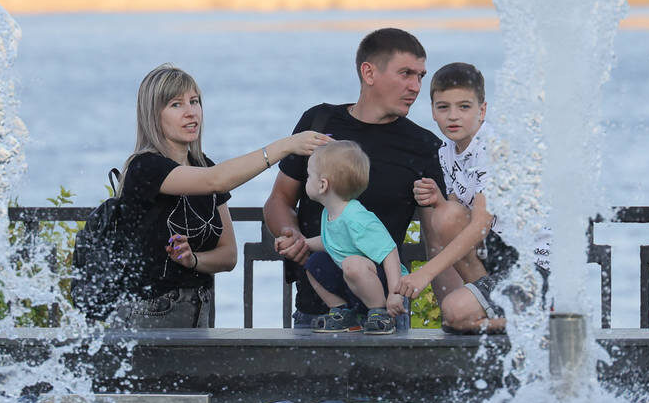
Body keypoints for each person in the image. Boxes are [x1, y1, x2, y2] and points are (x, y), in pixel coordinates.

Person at [111, 63, 331, 328]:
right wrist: (286, 145)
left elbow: (228, 256)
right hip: (148, 312)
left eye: (194, 101)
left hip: (199, 309)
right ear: (152, 114)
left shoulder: (204, 164)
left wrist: (193, 260)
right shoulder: (145, 167)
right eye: (176, 104)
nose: (190, 112)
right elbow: (216, 181)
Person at [264, 28, 450, 330]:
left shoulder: (423, 146)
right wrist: (291, 234)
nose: (415, 87)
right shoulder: (319, 122)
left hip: (385, 319)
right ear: (369, 72)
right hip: (317, 314)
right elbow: (279, 199)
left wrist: (451, 314)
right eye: (405, 73)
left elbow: (437, 242)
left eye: (420, 76)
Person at [397, 62, 549, 333]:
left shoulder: (492, 148)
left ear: (482, 110)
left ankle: (532, 314)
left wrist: (425, 272)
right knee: (446, 215)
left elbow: (480, 225)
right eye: (443, 107)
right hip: (500, 257)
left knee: (455, 312)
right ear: (432, 111)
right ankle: (515, 318)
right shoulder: (447, 151)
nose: (453, 116)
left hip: (534, 267)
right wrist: (437, 197)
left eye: (464, 107)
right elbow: (456, 214)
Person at [288, 141, 408, 334]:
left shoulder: (356, 218)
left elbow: (389, 253)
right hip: (356, 282)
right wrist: (303, 243)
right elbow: (333, 242)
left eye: (309, 175)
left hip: (385, 284)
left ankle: (379, 313)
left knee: (352, 263)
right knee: (314, 263)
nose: (306, 180)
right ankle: (343, 312)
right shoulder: (330, 212)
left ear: (322, 185)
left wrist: (395, 294)